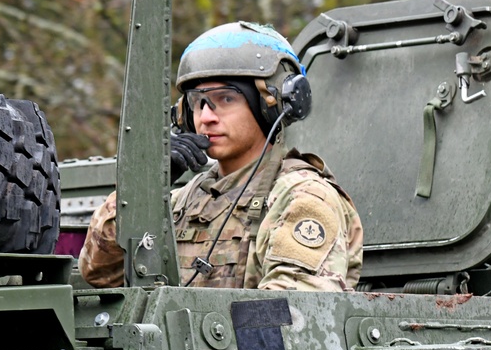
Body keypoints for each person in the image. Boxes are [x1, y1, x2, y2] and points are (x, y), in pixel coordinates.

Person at [78, 21, 363, 291]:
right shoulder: (182, 201)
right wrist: (145, 188)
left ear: (270, 105)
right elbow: (100, 272)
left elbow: (293, 313)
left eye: (225, 99)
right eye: (197, 102)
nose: (205, 117)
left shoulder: (303, 198)